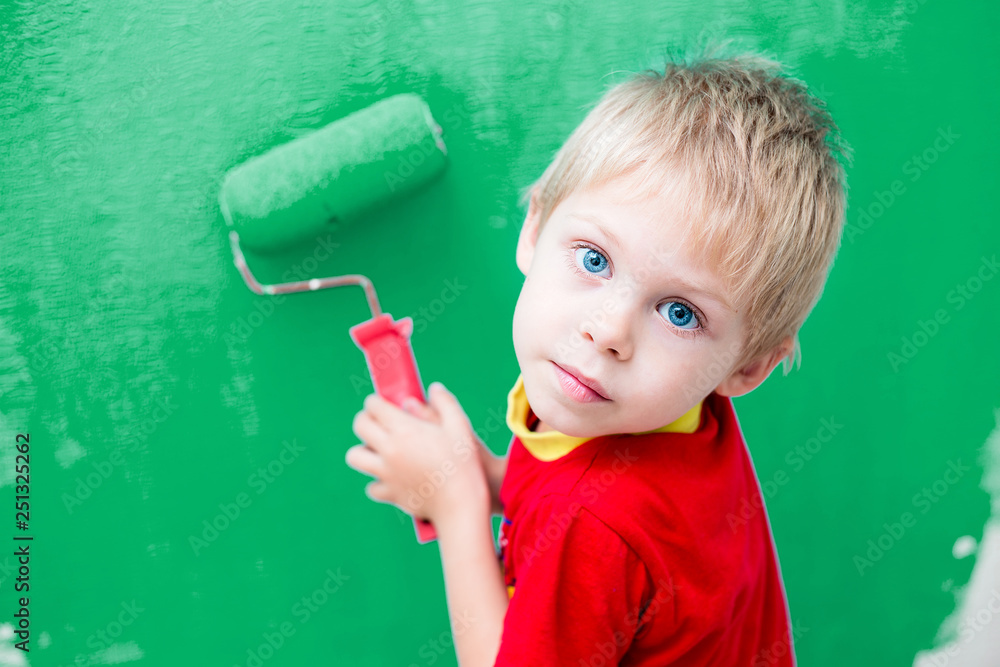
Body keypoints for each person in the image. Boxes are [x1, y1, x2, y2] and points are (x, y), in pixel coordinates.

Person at [347, 50, 848, 666]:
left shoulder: (594, 523)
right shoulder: (671, 413)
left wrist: (457, 509)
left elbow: (592, 525)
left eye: (679, 313)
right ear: (535, 230)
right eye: (594, 260)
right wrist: (486, 478)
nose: (608, 330)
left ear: (745, 367)